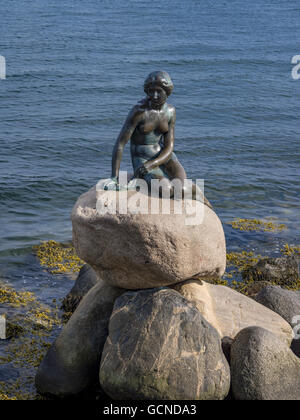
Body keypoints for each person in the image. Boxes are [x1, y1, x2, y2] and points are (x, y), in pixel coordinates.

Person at [103, 70, 211, 207]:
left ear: (167, 91)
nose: (154, 96)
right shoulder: (139, 112)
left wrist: (154, 163)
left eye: (158, 91)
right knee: (167, 190)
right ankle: (193, 194)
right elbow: (120, 144)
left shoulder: (170, 112)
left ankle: (207, 206)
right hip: (143, 159)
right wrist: (114, 177)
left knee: (182, 188)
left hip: (165, 157)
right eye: (150, 91)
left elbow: (169, 146)